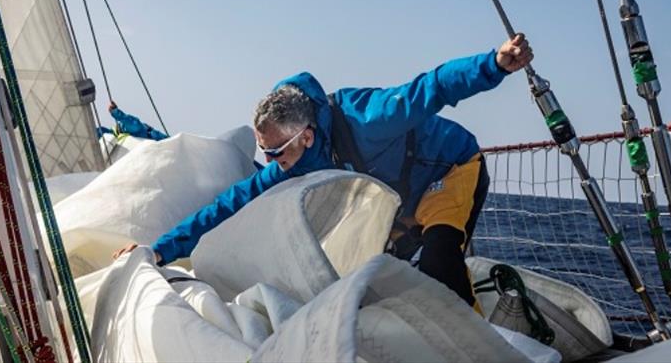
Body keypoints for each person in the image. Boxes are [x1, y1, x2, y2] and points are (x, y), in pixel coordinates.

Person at [114, 34, 534, 311]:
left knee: (441, 263)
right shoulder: (290, 158)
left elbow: (431, 88)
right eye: (267, 152)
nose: (272, 163)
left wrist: (494, 64)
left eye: (276, 152)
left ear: (306, 137)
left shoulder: (369, 118)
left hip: (450, 167)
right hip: (398, 200)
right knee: (379, 286)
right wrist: (157, 250)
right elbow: (227, 205)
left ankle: (482, 347)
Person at [96, 101, 169, 141]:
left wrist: (115, 112)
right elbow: (131, 123)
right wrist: (115, 112)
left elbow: (132, 123)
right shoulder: (140, 129)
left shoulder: (140, 130)